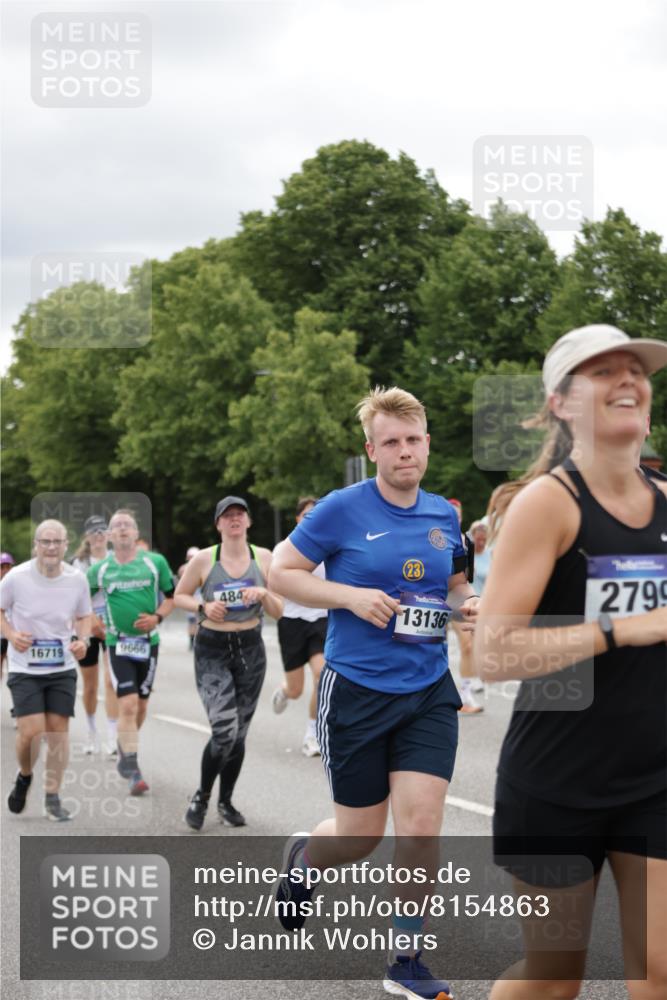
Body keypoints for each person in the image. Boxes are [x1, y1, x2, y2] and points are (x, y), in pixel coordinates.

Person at [475, 325, 667, 1000]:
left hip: (653, 778)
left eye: (634, 370)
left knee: (661, 968)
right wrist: (618, 629)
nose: (626, 380)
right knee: (554, 979)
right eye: (601, 372)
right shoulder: (547, 505)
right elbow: (493, 652)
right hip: (555, 785)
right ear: (559, 402)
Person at [269, 387, 480, 1000]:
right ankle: (306, 861)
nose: (405, 451)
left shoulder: (444, 515)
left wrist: (469, 607)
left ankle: (406, 959)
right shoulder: (340, 509)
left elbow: (458, 588)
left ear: (428, 444)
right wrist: (350, 597)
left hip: (426, 690)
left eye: (413, 440)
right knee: (360, 836)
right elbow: (280, 572)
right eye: (391, 442)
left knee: (420, 824)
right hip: (357, 690)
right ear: (372, 449)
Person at [175, 496, 283, 830]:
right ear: (218, 524)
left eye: (240, 515)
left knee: (239, 735)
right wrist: (203, 608)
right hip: (212, 649)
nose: (234, 520)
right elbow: (179, 596)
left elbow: (281, 610)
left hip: (250, 649)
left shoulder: (264, 558)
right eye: (227, 516)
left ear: (248, 522)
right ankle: (202, 796)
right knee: (224, 730)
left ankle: (226, 801)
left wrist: (265, 594)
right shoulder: (205, 560)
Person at [1, 520, 92, 821]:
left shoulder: (77, 579)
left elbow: (84, 617)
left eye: (57, 541)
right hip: (24, 667)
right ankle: (25, 775)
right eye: (45, 541)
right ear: (36, 545)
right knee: (31, 732)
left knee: (58, 734)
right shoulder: (16, 577)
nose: (51, 547)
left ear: (66, 544)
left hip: (61, 666)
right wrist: (12, 635)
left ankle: (52, 796)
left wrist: (83, 640)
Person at [87, 509, 175, 795]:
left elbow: (172, 598)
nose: (123, 529)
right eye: (117, 526)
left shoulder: (154, 563)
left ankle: (125, 749)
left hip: (148, 643)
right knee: (128, 705)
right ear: (110, 536)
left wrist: (157, 618)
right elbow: (80, 601)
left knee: (142, 707)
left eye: (128, 525)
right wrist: (94, 623)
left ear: (137, 534)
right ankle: (133, 768)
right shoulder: (99, 570)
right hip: (118, 643)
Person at [272, 496, 328, 757]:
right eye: (306, 515)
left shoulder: (330, 547)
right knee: (296, 690)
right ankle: (284, 691)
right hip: (292, 622)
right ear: (297, 519)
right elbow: (277, 585)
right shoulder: (284, 548)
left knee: (323, 675)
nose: (311, 519)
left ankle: (312, 733)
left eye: (316, 515)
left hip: (322, 621)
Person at [71, 515, 119, 756]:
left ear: (109, 535)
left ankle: (112, 737)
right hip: (87, 628)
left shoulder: (118, 560)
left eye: (103, 531)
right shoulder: (78, 564)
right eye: (94, 531)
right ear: (87, 537)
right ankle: (91, 732)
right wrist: (90, 622)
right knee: (90, 685)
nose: (99, 535)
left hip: (112, 626)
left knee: (112, 681)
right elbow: (73, 599)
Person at [448, 499, 484, 715]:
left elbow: (465, 580)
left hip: (455, 599)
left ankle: (465, 693)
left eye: (459, 515)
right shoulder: (428, 536)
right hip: (430, 599)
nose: (456, 518)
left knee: (468, 646)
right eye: (452, 514)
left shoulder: (465, 542)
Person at [178, 546, 201, 651]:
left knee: (200, 620)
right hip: (190, 596)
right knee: (192, 621)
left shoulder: (202, 566)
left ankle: (197, 641)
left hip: (200, 595)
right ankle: (192, 642)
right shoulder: (184, 569)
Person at [1, 552, 16, 675]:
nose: (5, 570)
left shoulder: (17, 585)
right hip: (0, 635)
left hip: (14, 634)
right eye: (2, 567)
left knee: (15, 670)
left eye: (8, 567)